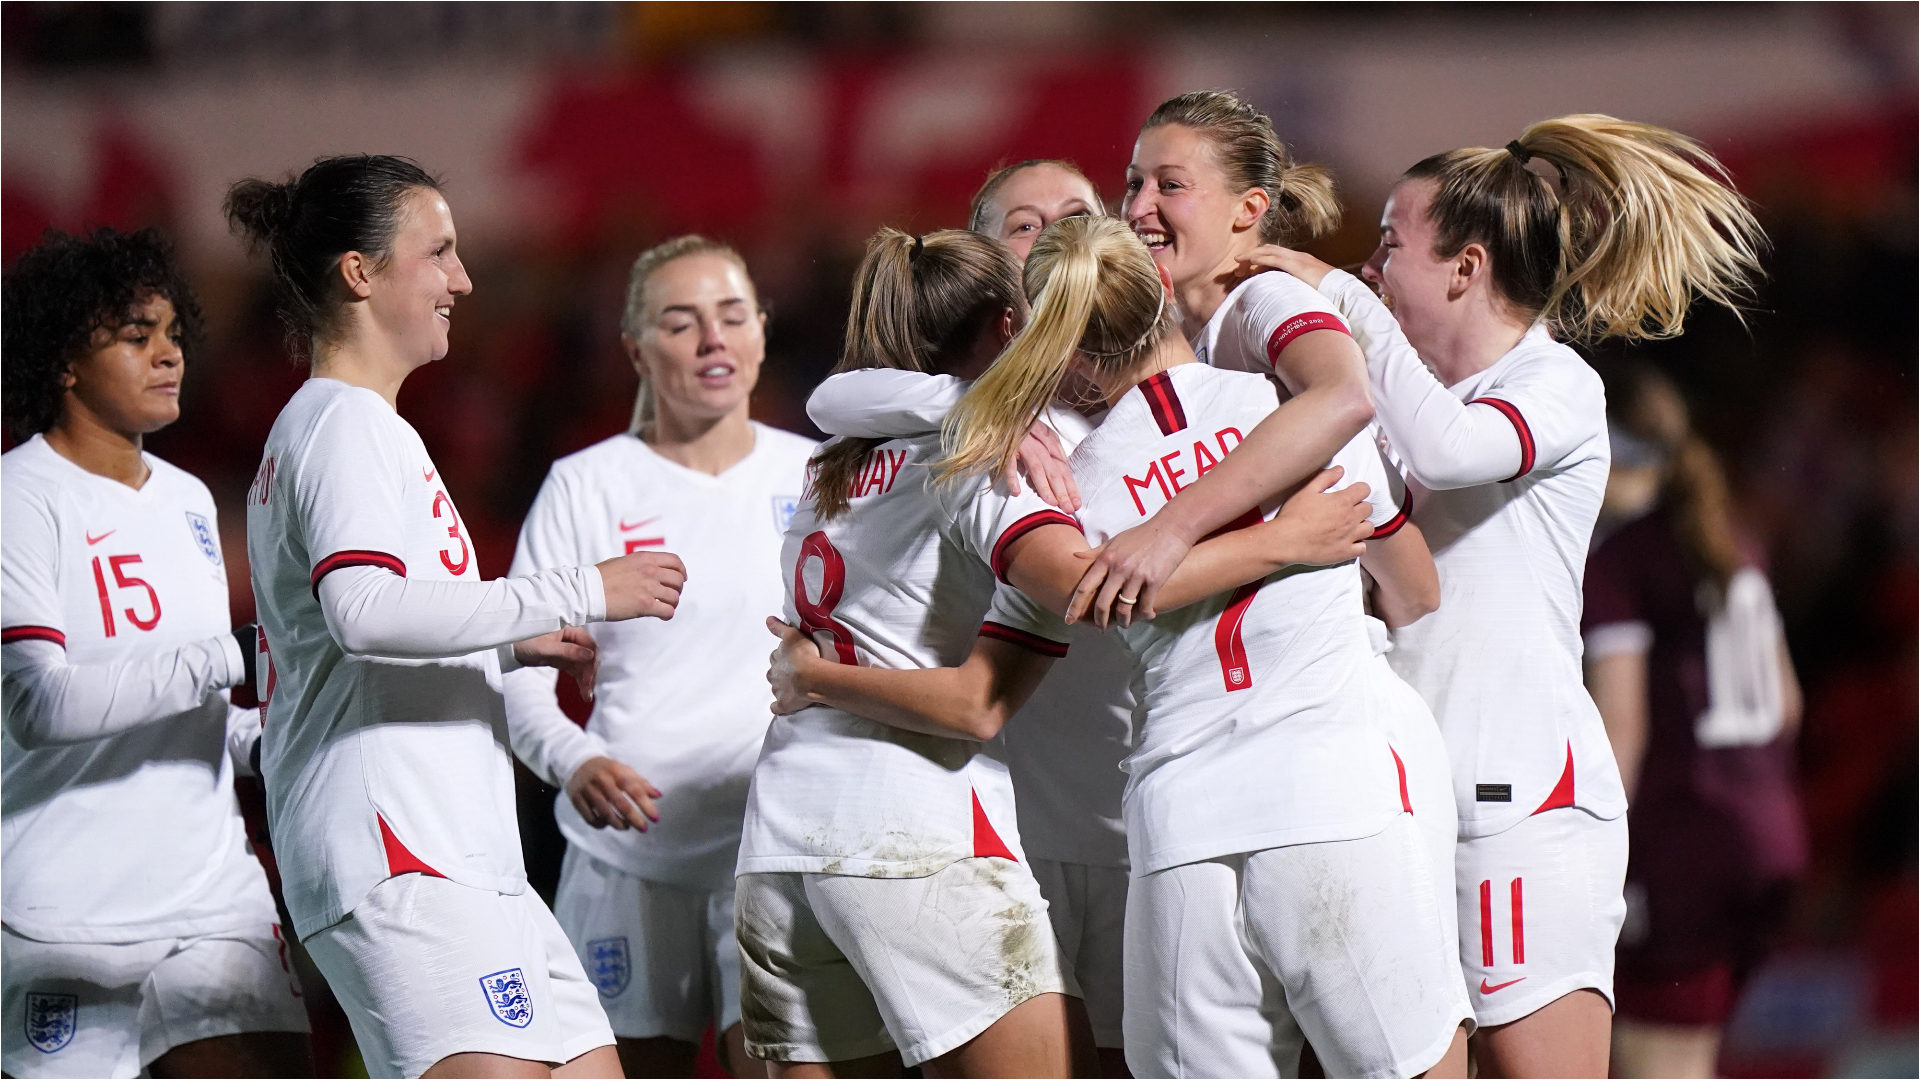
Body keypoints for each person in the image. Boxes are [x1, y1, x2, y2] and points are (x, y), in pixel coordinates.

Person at [777, 217, 1469, 1078]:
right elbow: (1416, 590)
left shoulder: (1065, 482)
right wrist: (1289, 546)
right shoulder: (1296, 415)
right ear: (1158, 293)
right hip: (1336, 793)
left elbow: (1062, 599)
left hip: (1180, 824)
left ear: (1057, 350)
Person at [1246, 114, 1766, 1076]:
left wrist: (1342, 313)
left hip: (1522, 802)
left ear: (1464, 266)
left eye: (1388, 246)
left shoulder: (1553, 382)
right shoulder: (1400, 403)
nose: (1365, 270)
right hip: (1405, 805)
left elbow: (1452, 454)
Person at [230, 154, 687, 1080]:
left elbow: (364, 632)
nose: (461, 279)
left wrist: (508, 645)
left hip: (467, 856)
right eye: (438, 252)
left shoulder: (365, 428)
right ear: (360, 272)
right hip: (398, 852)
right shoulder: (341, 425)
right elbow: (363, 612)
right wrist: (581, 587)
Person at [808, 159, 1137, 1076]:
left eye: (1076, 214)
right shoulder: (961, 428)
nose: (1053, 236)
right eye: (1024, 225)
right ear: (987, 265)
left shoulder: (1162, 380)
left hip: (1138, 806)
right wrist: (979, 409)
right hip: (1005, 813)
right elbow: (834, 396)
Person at [1, 227, 314, 1079]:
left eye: (174, 334)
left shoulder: (188, 501)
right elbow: (40, 706)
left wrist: (284, 732)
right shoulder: (19, 497)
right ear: (64, 362)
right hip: (64, 913)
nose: (168, 354)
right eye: (137, 337)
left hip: (214, 900)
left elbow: (202, 706)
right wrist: (233, 656)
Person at [503, 235, 815, 1078]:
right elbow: (519, 675)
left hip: (777, 845)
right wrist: (574, 760)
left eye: (732, 316)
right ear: (636, 348)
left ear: (761, 330)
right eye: (681, 324)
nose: (713, 340)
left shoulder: (822, 475)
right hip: (627, 857)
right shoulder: (586, 485)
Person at [1583, 365, 1806, 1079]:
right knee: (1692, 1056)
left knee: (1656, 1063)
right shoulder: (1730, 539)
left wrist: (1590, 855)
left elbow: (1625, 733)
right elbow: (1789, 704)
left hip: (1684, 842)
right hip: (1768, 832)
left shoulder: (1623, 560)